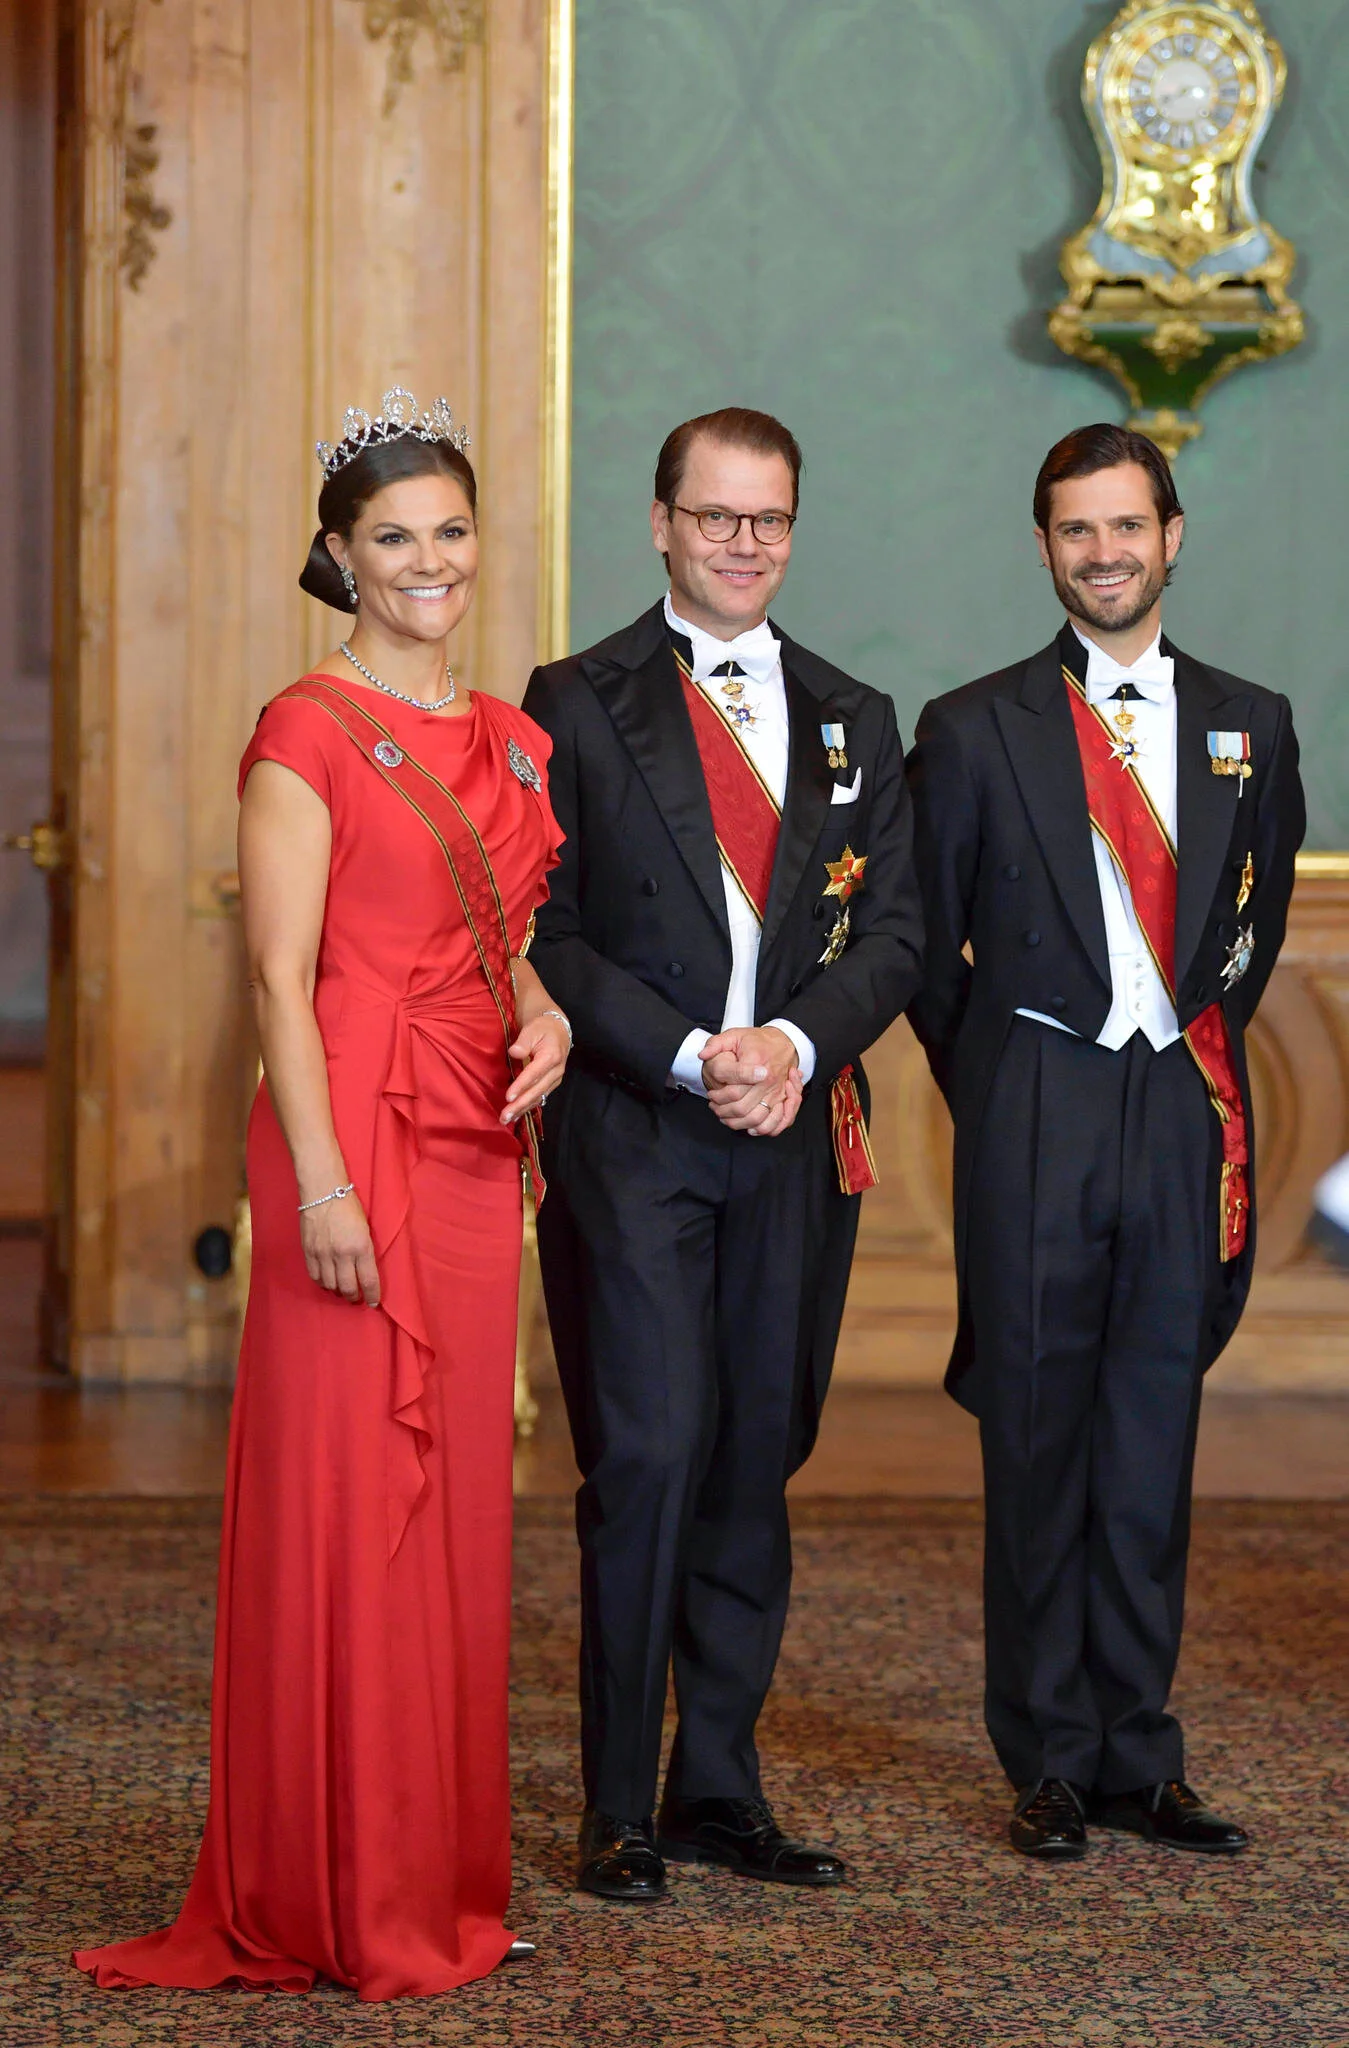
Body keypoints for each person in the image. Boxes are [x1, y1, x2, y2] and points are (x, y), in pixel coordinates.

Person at [73, 390, 571, 1998]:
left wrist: (548, 1010)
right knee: (351, 1518)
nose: (428, 562)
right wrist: (323, 1190)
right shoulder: (303, 728)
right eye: (393, 539)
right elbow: (282, 986)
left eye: (448, 531)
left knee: (456, 1527)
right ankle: (330, 1892)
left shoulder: (509, 734)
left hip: (476, 1137)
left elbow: (508, 943)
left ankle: (430, 1875)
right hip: (345, 1137)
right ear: (342, 559)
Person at [523, 407, 924, 1901]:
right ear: (660, 523)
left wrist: (793, 1052)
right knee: (647, 1458)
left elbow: (892, 933)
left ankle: (718, 1789)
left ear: (793, 530)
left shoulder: (854, 714)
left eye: (769, 521)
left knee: (756, 1458)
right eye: (716, 518)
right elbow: (545, 930)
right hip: (636, 1134)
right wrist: (695, 1055)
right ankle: (616, 1805)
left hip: (793, 1138)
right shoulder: (574, 698)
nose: (742, 545)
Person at [906, 422, 1304, 1860]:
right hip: (1034, 1106)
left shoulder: (1251, 721)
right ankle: (1049, 1758)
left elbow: (1247, 934)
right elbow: (924, 946)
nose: (1105, 553)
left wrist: (1168, 1036)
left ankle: (1142, 1750)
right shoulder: (972, 726)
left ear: (1173, 535)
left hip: (1176, 1109)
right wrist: (1011, 1079)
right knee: (1036, 1436)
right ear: (1044, 548)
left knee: (1151, 1433)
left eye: (1127, 527)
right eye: (1077, 531)